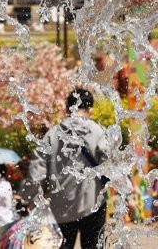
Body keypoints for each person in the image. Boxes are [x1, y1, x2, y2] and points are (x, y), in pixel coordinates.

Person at [29, 88, 114, 249]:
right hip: (92, 202)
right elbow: (110, 164)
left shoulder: (52, 134)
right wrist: (128, 192)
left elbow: (37, 169)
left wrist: (31, 196)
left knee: (62, 245)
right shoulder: (97, 131)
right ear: (90, 109)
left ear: (67, 108)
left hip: (61, 204)